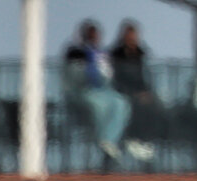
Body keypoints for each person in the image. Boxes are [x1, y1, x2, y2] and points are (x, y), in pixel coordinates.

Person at [65, 20, 132, 166]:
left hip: (104, 90)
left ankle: (110, 141)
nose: (94, 38)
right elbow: (74, 77)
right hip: (84, 91)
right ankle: (102, 140)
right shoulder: (75, 52)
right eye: (91, 35)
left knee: (121, 103)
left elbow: (108, 74)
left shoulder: (101, 54)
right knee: (98, 107)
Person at [108, 21, 159, 161]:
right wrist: (133, 92)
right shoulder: (116, 54)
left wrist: (146, 91)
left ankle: (147, 141)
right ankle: (133, 138)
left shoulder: (141, 53)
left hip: (141, 91)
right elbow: (115, 78)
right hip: (123, 92)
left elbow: (146, 75)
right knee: (135, 106)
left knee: (155, 106)